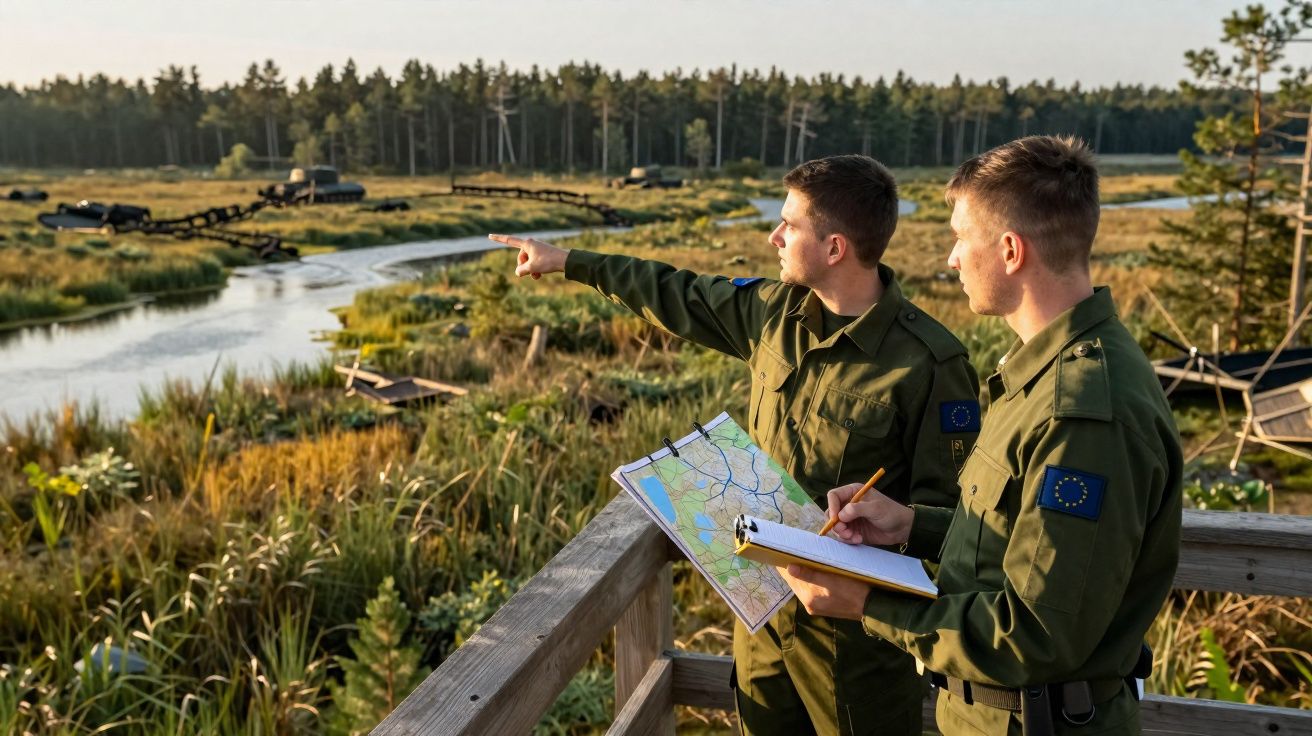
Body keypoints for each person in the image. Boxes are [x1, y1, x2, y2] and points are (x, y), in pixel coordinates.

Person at [491, 154, 980, 736]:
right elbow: (675, 293)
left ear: (835, 248)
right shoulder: (772, 314)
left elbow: (958, 524)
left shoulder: (930, 363)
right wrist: (568, 261)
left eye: (789, 224)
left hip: (859, 643)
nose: (774, 236)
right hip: (762, 615)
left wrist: (883, 552)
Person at [781, 136, 1183, 735]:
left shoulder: (1082, 413)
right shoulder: (1042, 372)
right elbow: (1021, 541)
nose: (952, 259)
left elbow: (1035, 634)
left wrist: (866, 602)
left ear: (1010, 251)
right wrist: (911, 524)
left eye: (960, 238)